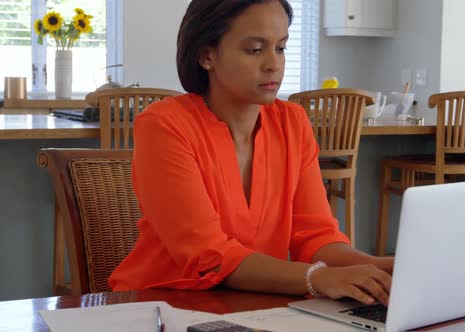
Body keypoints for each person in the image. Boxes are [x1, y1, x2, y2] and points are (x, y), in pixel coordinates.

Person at [109, 0, 393, 306]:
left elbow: (316, 238)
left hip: (252, 307)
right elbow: (209, 256)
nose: (274, 64)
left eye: (281, 48)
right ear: (207, 56)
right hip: (158, 306)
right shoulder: (164, 125)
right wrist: (318, 278)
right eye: (255, 50)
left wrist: (378, 267)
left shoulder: (293, 123)